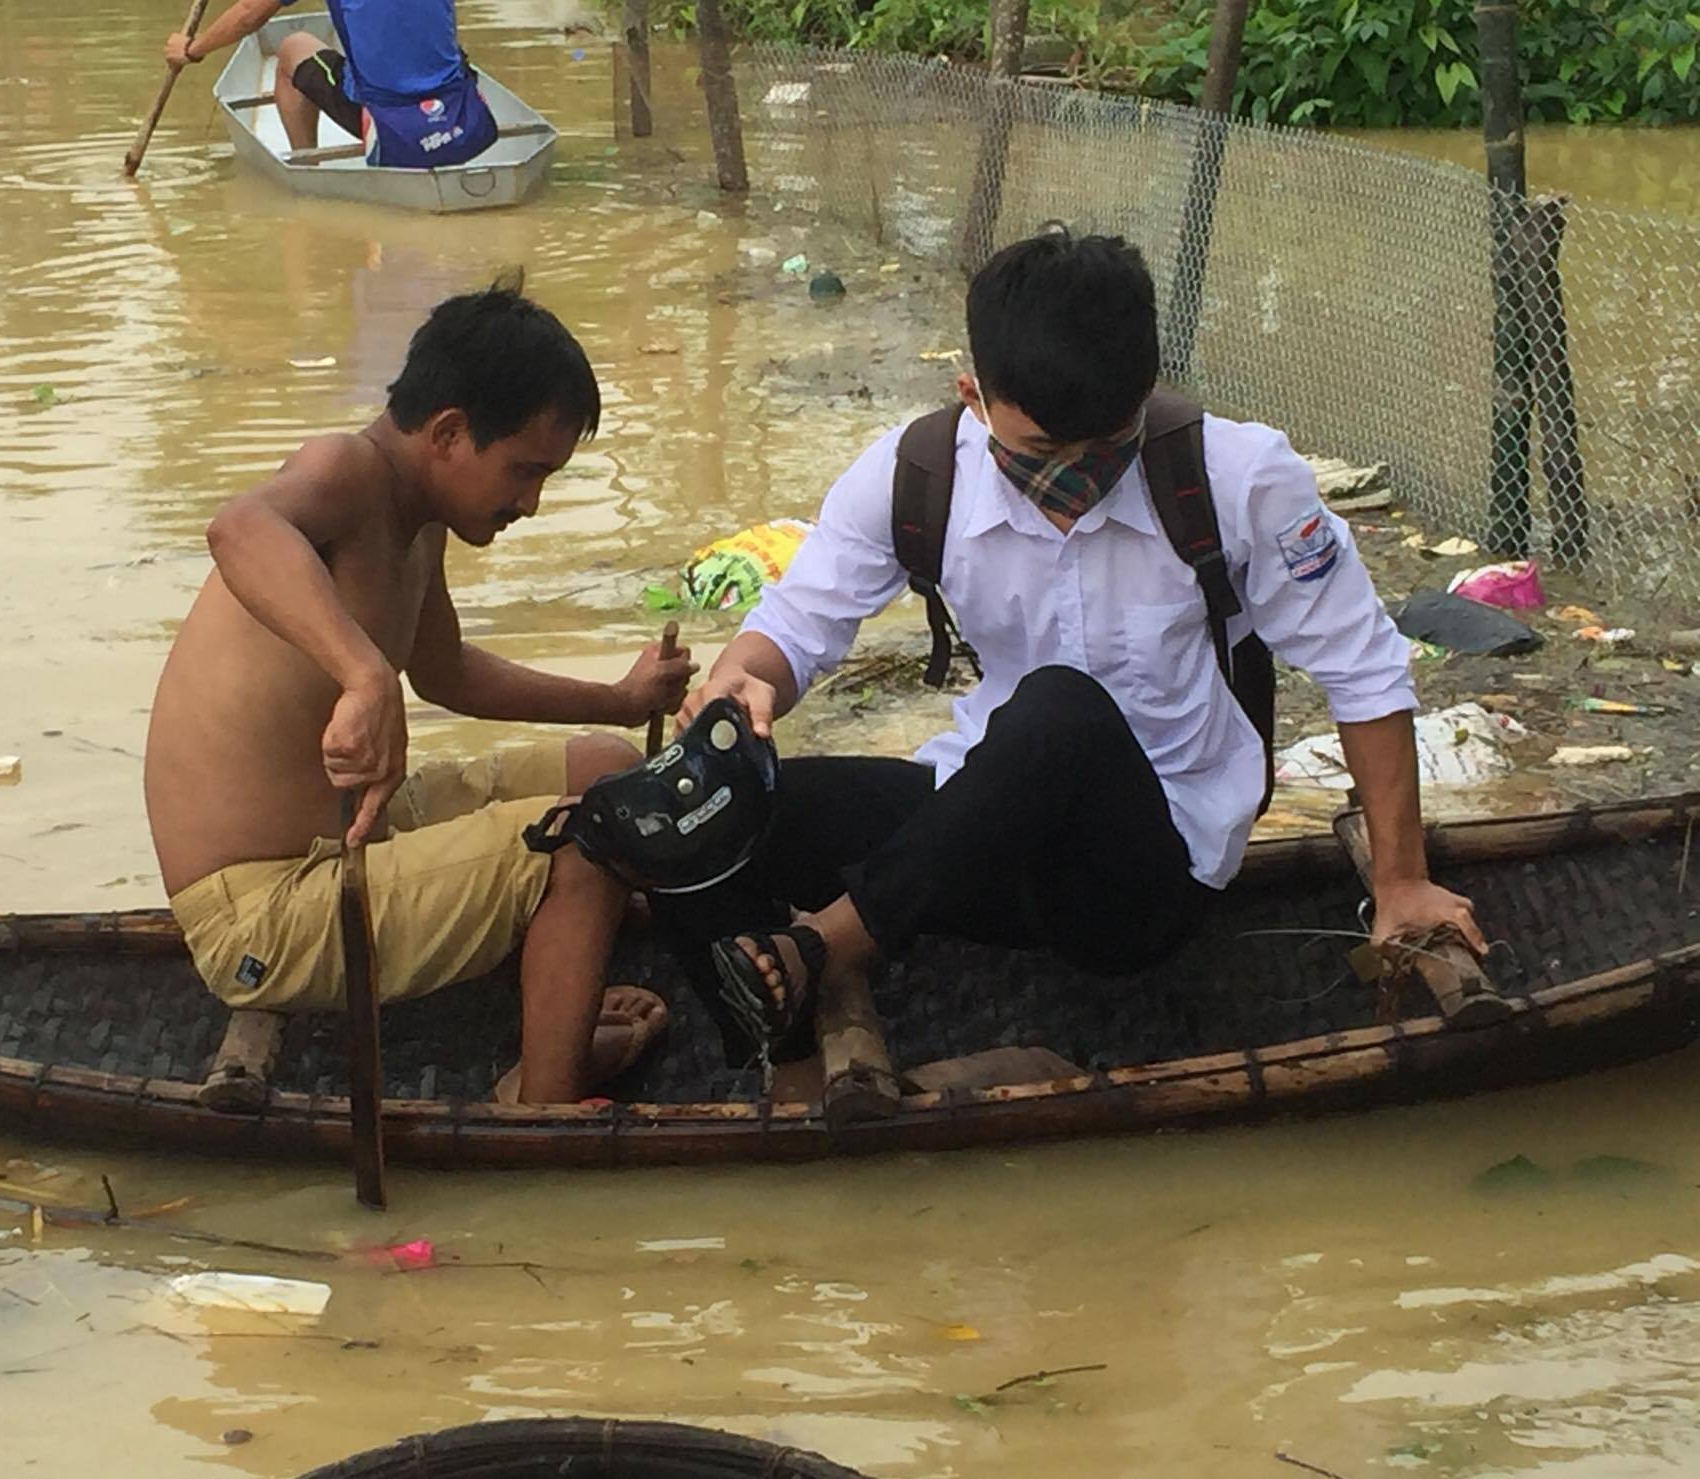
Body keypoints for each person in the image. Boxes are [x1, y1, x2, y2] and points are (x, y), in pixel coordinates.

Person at [664, 231, 1484, 1068]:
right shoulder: (915, 473)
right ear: (973, 397)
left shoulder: (1240, 479)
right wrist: (739, 691)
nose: (1074, 479)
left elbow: (1363, 671)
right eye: (1041, 454)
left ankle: (828, 947)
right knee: (707, 812)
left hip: (1139, 880)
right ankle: (785, 1071)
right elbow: (794, 628)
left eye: (1103, 449)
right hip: (977, 833)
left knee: (1057, 712)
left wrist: (1400, 880)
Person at [145, 280, 695, 1104]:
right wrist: (366, 675)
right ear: (447, 433)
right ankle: (543, 1102)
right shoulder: (344, 471)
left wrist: (618, 699)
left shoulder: (421, 516)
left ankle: (559, 985)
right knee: (585, 842)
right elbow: (240, 528)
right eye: (523, 472)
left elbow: (445, 672)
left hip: (358, 839)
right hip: (264, 910)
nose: (530, 503)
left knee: (606, 768)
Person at [165, 0, 497, 168]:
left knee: (293, 47)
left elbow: (250, 12)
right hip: (459, 113)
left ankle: (307, 167)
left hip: (386, 121)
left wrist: (192, 50)